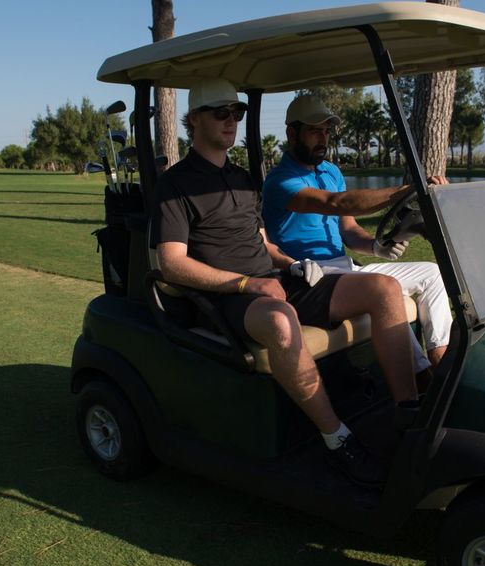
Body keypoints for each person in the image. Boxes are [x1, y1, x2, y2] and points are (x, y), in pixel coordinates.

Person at [150, 79, 417, 488]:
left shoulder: (241, 178)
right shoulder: (176, 185)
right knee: (279, 320)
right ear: (193, 120)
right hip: (228, 297)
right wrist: (245, 285)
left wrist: (292, 264)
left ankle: (407, 414)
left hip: (274, 282)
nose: (230, 121)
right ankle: (337, 439)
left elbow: (262, 243)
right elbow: (170, 263)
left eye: (236, 113)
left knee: (382, 288)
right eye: (220, 113)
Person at [262, 95, 453, 370]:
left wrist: (376, 247)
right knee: (386, 294)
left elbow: (348, 229)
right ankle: (422, 376)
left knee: (432, 274)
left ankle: (442, 363)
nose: (323, 139)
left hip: (344, 269)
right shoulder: (281, 181)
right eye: (315, 131)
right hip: (311, 275)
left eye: (327, 131)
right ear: (292, 133)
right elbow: (335, 203)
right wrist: (409, 190)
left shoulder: (330, 172)